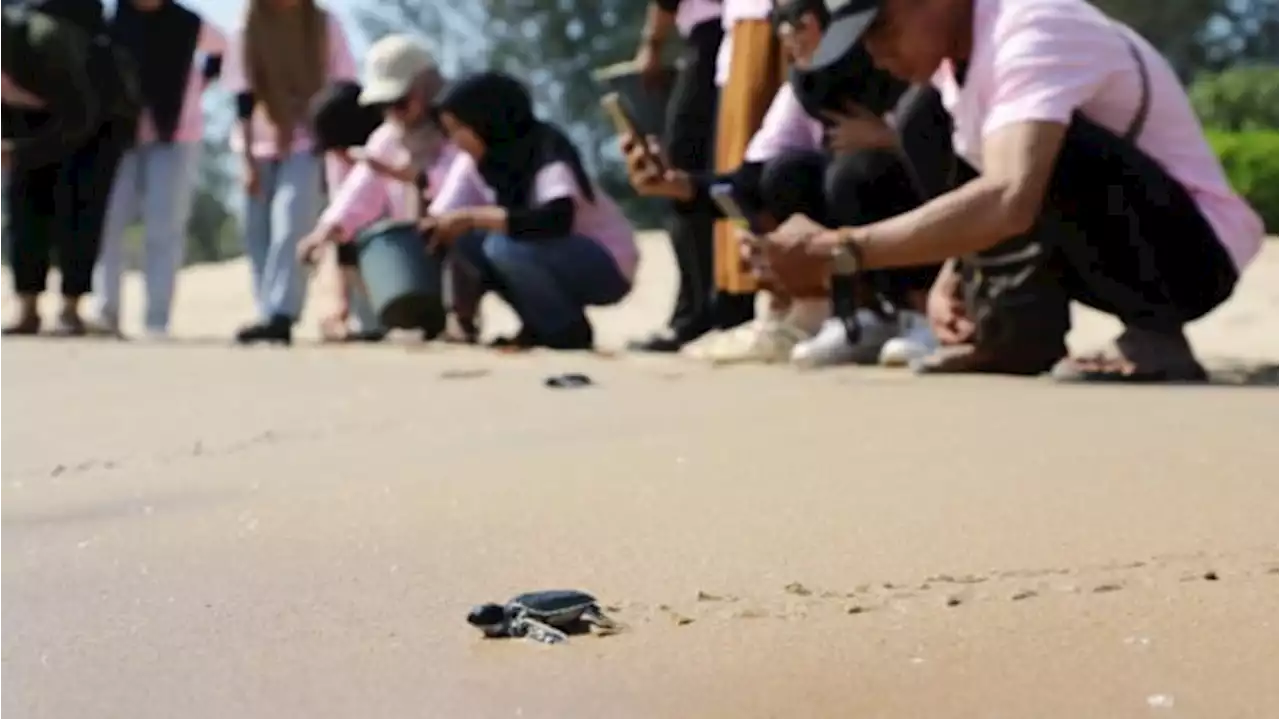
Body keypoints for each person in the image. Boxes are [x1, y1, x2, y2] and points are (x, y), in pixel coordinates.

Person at [758, 0, 1264, 381]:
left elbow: (1009, 195)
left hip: (1191, 260)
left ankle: (1155, 332)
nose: (875, 53)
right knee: (922, 118)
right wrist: (954, 275)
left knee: (1037, 146)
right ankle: (1011, 331)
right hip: (1123, 248)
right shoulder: (956, 69)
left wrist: (845, 250)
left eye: (882, 28)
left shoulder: (1034, 27)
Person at [622, 0, 943, 367]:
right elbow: (753, 179)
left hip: (937, 224)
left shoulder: (917, 57)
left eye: (802, 15)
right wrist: (681, 186)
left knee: (857, 171)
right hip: (859, 226)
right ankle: (860, 313)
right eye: (781, 18)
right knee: (787, 173)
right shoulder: (807, 87)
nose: (789, 32)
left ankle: (925, 311)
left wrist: (893, 140)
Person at [426, 72, 638, 350]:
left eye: (457, 130)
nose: (453, 141)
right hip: (545, 256)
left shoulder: (545, 148)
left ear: (485, 121)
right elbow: (441, 216)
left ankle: (566, 329)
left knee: (503, 247)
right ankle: (536, 323)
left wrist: (474, 217)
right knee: (467, 242)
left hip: (605, 262)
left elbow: (556, 219)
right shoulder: (476, 161)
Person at [296, 36, 462, 342]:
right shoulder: (386, 139)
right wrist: (325, 231)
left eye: (400, 101)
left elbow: (463, 186)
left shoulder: (456, 131)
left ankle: (461, 317)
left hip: (454, 237)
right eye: (385, 105)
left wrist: (414, 178)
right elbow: (357, 194)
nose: (395, 113)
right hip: (414, 246)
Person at [223, 0, 356, 345]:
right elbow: (242, 98)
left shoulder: (325, 25)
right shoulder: (247, 27)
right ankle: (266, 309)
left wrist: (328, 138)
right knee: (257, 232)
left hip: (309, 142)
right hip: (258, 143)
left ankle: (281, 314)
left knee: (291, 220)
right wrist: (248, 161)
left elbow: (344, 85)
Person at [1, 0, 135, 335]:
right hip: (37, 112)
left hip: (99, 112)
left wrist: (20, 150)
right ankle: (27, 309)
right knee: (23, 205)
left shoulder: (46, 39)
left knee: (80, 205)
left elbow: (79, 116)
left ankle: (71, 309)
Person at [93, 0, 226, 339]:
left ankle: (157, 319)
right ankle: (106, 313)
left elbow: (225, 50)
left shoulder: (188, 22)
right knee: (107, 224)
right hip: (117, 135)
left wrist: (199, 84)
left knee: (164, 227)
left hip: (176, 135)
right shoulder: (110, 19)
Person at [627, 0, 725, 352]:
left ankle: (696, 313)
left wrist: (651, 45)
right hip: (742, 37)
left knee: (684, 180)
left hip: (713, 38)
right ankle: (714, 305)